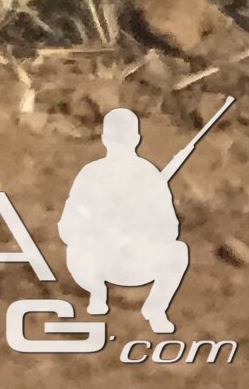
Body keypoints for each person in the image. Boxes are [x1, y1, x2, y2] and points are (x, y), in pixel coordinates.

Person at [57, 107, 191, 335]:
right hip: (104, 260)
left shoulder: (144, 176)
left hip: (129, 261)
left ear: (104, 139)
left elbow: (67, 227)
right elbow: (171, 230)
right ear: (136, 139)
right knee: (178, 252)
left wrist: (136, 230)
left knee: (177, 250)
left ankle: (150, 308)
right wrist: (103, 231)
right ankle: (101, 294)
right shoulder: (103, 174)